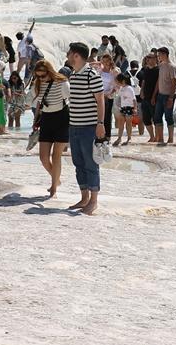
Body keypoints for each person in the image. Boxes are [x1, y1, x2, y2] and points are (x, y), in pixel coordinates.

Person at [65, 42, 106, 215]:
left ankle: (94, 201)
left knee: (91, 163)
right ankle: (84, 197)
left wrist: (100, 123)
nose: (67, 55)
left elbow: (100, 99)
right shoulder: (73, 75)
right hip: (74, 125)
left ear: (76, 55)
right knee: (78, 163)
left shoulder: (92, 74)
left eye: (69, 53)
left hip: (89, 126)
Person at [29, 59, 70, 197]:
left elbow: (69, 99)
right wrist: (35, 121)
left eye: (43, 75)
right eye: (38, 76)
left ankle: (53, 188)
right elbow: (36, 104)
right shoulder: (37, 84)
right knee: (43, 157)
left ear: (50, 72)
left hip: (62, 118)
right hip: (46, 119)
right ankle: (56, 179)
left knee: (56, 155)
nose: (41, 78)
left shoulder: (62, 82)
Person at [153, 46, 176, 145]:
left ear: (165, 54)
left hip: (168, 95)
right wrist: (154, 95)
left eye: (160, 55)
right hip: (160, 94)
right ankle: (161, 138)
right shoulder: (161, 65)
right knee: (157, 117)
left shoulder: (172, 66)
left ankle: (171, 138)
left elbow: (174, 82)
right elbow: (159, 80)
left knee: (168, 117)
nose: (158, 57)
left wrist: (171, 98)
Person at [137, 52, 159, 144]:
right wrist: (141, 91)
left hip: (154, 97)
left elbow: (158, 84)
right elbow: (144, 81)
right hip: (145, 97)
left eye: (150, 57)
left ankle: (157, 137)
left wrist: (153, 96)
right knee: (146, 118)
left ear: (155, 59)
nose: (148, 59)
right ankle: (152, 136)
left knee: (155, 118)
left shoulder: (158, 69)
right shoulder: (145, 69)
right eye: (147, 58)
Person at [113, 72, 136, 145]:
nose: (117, 83)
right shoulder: (121, 88)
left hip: (129, 107)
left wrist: (135, 108)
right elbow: (119, 97)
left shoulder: (129, 88)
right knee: (121, 123)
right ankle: (119, 138)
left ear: (123, 81)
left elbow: (134, 99)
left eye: (118, 81)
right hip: (123, 107)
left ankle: (129, 138)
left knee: (129, 123)